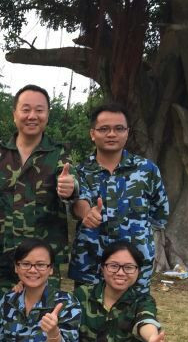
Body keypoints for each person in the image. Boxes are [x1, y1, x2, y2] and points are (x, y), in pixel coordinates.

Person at [0, 85, 77, 305]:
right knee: (1, 318)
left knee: (42, 320)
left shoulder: (59, 154)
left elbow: (72, 186)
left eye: (39, 110)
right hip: (2, 260)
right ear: (14, 114)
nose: (32, 116)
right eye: (26, 109)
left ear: (47, 115)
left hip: (42, 264)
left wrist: (70, 188)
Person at [68, 102, 169, 293]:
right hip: (91, 265)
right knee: (86, 311)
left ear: (127, 132)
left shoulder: (147, 170)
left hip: (134, 266)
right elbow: (76, 204)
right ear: (92, 133)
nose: (112, 134)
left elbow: (159, 213)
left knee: (133, 311)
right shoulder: (80, 172)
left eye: (119, 128)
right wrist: (87, 213)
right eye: (104, 129)